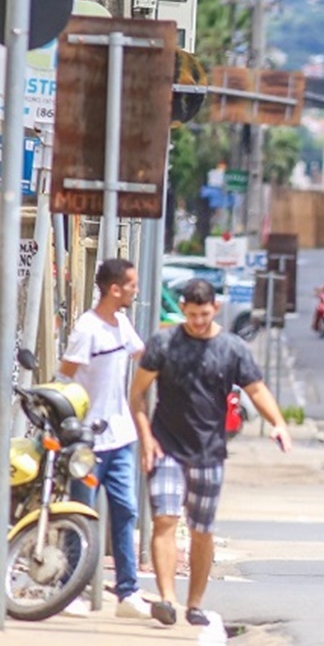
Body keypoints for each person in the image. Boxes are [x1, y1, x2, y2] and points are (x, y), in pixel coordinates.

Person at [129, 278, 293, 627]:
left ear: (215, 308)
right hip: (166, 446)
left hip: (209, 452)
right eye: (191, 315)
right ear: (183, 310)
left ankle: (195, 604)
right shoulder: (164, 343)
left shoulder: (231, 348)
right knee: (165, 520)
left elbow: (256, 389)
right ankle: (168, 599)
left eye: (204, 315)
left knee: (201, 530)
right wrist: (146, 438)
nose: (198, 322)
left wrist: (278, 422)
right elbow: (137, 393)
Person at [57, 258, 152, 620]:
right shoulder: (87, 329)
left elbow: (145, 356)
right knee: (81, 514)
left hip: (121, 436)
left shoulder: (122, 324)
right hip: (87, 440)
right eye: (131, 285)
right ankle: (68, 588)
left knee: (126, 510)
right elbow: (65, 376)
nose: (135, 291)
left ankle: (128, 592)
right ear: (115, 289)